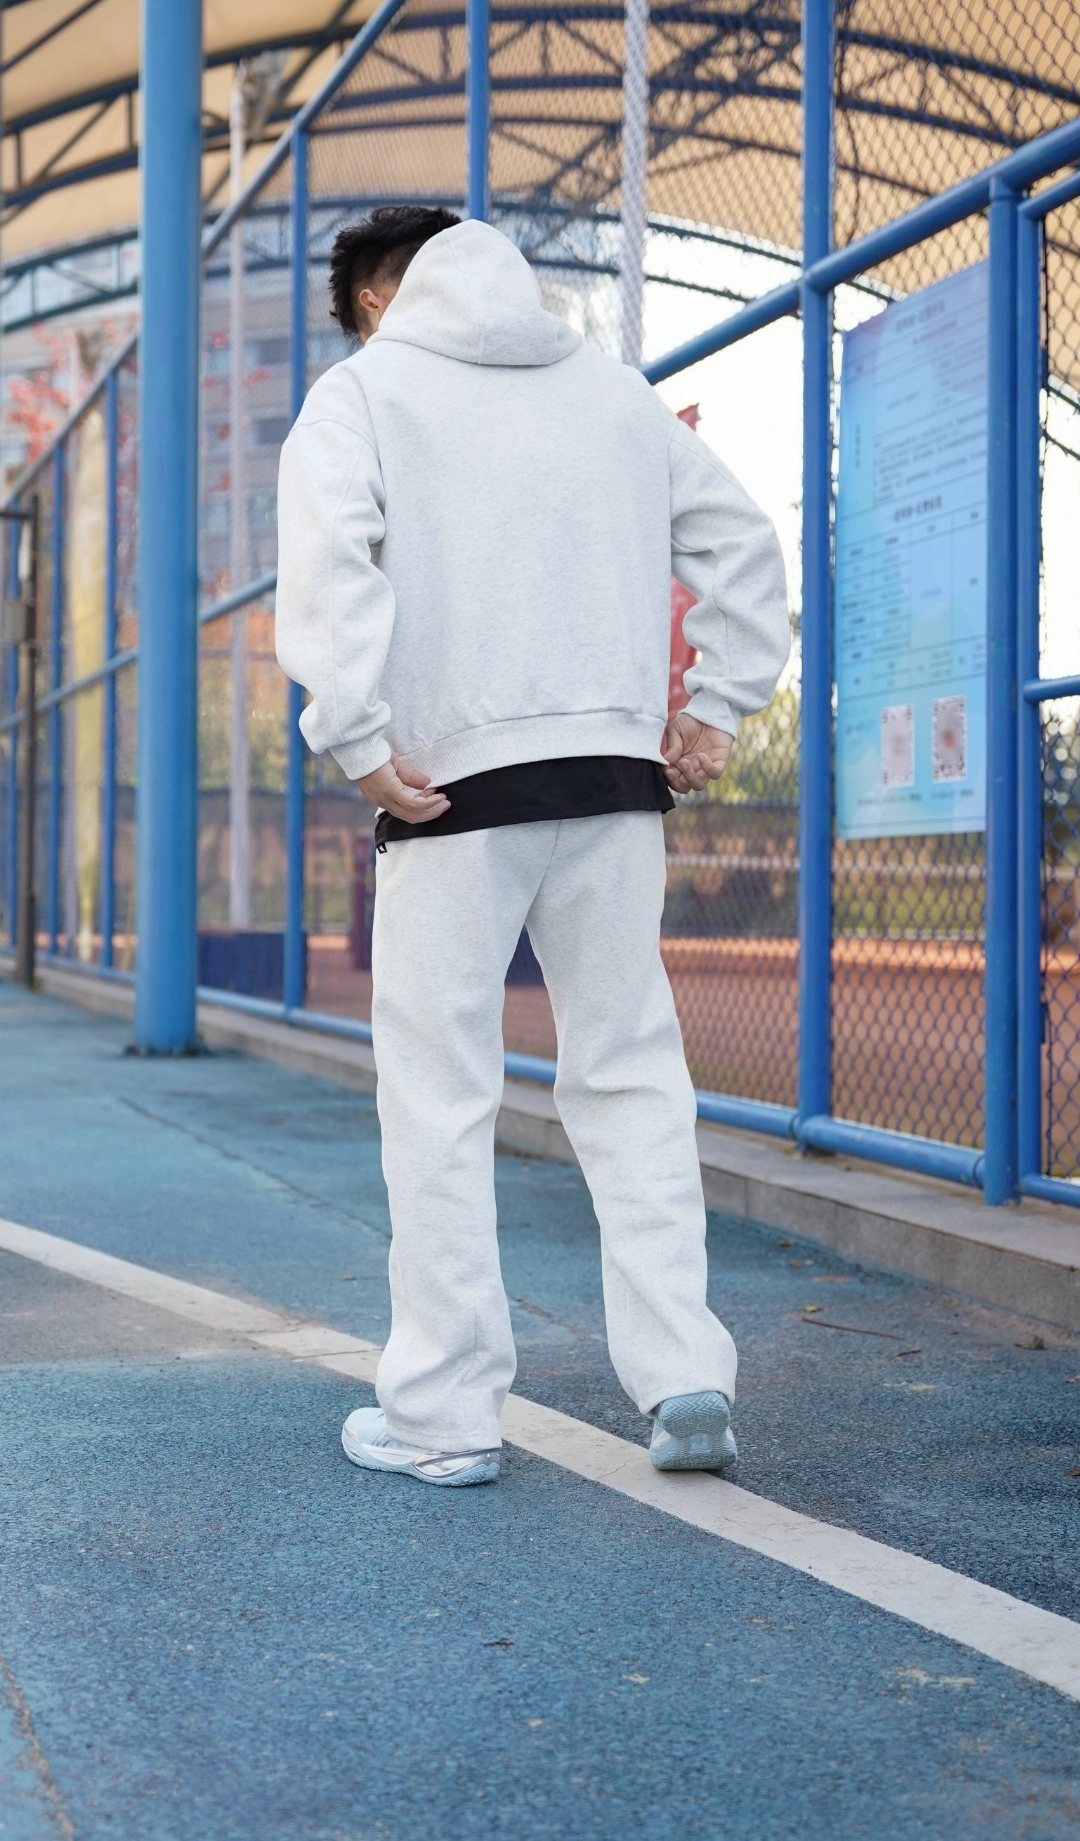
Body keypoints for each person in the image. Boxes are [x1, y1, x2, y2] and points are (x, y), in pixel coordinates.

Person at [275, 206, 789, 1489]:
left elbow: (330, 567)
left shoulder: (363, 393)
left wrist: (355, 736)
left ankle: (444, 1413)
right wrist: (718, 703)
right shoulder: (613, 395)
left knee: (439, 1095)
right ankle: (685, 1377)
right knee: (629, 1074)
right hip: (614, 782)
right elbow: (741, 542)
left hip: (449, 787)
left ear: (375, 299)